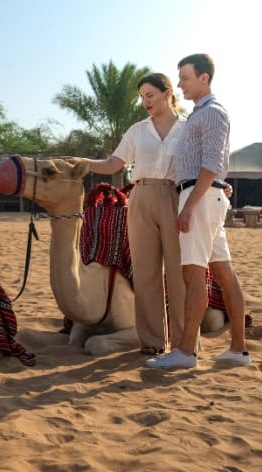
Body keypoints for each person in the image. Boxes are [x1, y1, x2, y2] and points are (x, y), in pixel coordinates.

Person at [146, 53, 250, 369]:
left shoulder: (212, 113)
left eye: (185, 77)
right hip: (206, 196)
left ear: (204, 78)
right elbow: (212, 165)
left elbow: (211, 164)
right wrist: (216, 187)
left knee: (193, 274)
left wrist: (190, 206)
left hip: (199, 197)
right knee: (223, 273)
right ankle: (238, 350)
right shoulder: (200, 114)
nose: (180, 84)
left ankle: (186, 352)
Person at [73, 72, 187, 355]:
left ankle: (184, 345)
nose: (145, 102)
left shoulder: (188, 128)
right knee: (146, 275)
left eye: (150, 95)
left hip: (176, 196)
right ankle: (152, 343)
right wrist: (83, 162)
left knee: (179, 274)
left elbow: (202, 164)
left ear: (167, 93)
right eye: (142, 97)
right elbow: (113, 164)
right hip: (140, 197)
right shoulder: (137, 130)